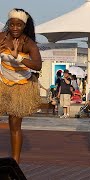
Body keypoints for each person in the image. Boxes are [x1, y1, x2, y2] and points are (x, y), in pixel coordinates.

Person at [0, 8, 42, 163]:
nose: (15, 28)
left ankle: (15, 161)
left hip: (21, 85)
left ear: (24, 25)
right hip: (2, 82)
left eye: (19, 25)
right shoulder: (2, 38)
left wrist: (18, 58)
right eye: (12, 25)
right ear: (8, 24)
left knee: (14, 123)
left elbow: (38, 65)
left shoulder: (28, 43)